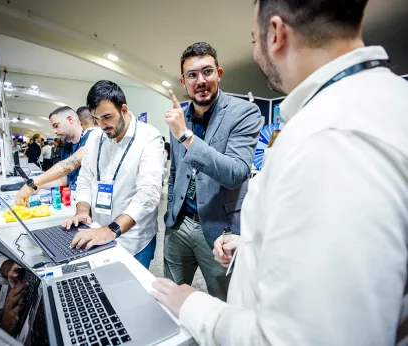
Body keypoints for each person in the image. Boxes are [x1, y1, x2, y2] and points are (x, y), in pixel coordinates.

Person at [152, 1, 408, 345]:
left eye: (253, 40)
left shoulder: (330, 136)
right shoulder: (381, 102)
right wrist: (249, 243)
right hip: (186, 227)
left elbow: (309, 335)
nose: (257, 52)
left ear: (275, 34)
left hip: (216, 235)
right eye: (192, 75)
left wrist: (196, 307)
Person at [162, 42, 262, 301]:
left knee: (226, 303)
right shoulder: (179, 116)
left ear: (219, 73)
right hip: (179, 224)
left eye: (207, 72)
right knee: (170, 296)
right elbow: (175, 170)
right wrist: (171, 209)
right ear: (184, 82)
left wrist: (185, 135)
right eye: (192, 75)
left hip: (221, 229)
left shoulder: (244, 112)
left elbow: (236, 173)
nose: (200, 80)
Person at [64, 80, 165, 269]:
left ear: (124, 109)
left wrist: (111, 230)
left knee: (131, 295)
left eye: (107, 117)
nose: (102, 125)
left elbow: (148, 194)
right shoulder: (95, 138)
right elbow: (85, 179)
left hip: (135, 240)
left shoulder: (149, 137)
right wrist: (83, 212)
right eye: (96, 119)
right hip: (98, 234)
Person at [15, 106, 98, 206]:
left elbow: (68, 165)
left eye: (56, 125)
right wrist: (39, 186)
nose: (54, 131)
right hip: (77, 202)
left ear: (70, 119)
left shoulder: (91, 137)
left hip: (94, 202)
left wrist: (35, 182)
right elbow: (63, 180)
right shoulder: (67, 148)